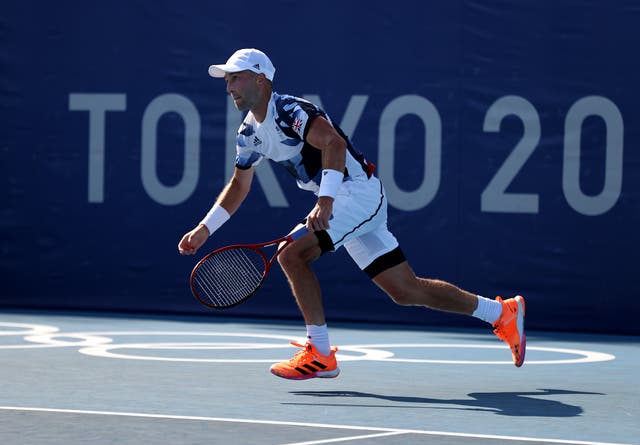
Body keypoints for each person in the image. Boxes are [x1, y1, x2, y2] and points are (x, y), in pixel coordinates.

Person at [178, 48, 526, 380]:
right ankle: (502, 313)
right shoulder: (248, 134)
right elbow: (239, 186)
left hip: (355, 192)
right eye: (226, 80)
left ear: (260, 80)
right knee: (404, 290)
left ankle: (320, 353)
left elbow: (334, 144)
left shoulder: (290, 110)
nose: (229, 86)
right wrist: (204, 229)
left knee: (292, 256)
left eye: (235, 78)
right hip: (346, 201)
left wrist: (325, 201)